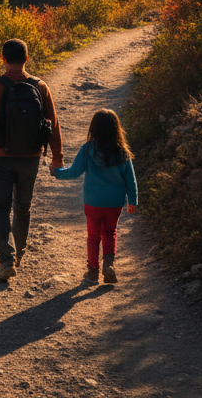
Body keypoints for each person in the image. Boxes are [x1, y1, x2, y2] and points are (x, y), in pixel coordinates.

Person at [0, 38, 63, 282]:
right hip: (30, 157)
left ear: (4, 59)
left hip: (0, 157)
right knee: (23, 206)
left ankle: (6, 260)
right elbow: (53, 125)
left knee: (0, 208)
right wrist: (57, 158)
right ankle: (18, 253)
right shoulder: (40, 86)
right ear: (26, 59)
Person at [52, 108, 138, 283]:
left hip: (92, 202)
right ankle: (109, 265)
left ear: (94, 128)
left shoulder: (88, 149)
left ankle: (92, 271)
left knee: (93, 236)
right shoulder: (122, 152)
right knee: (110, 232)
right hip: (114, 203)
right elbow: (131, 180)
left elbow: (74, 172)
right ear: (116, 128)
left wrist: (57, 172)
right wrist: (133, 200)